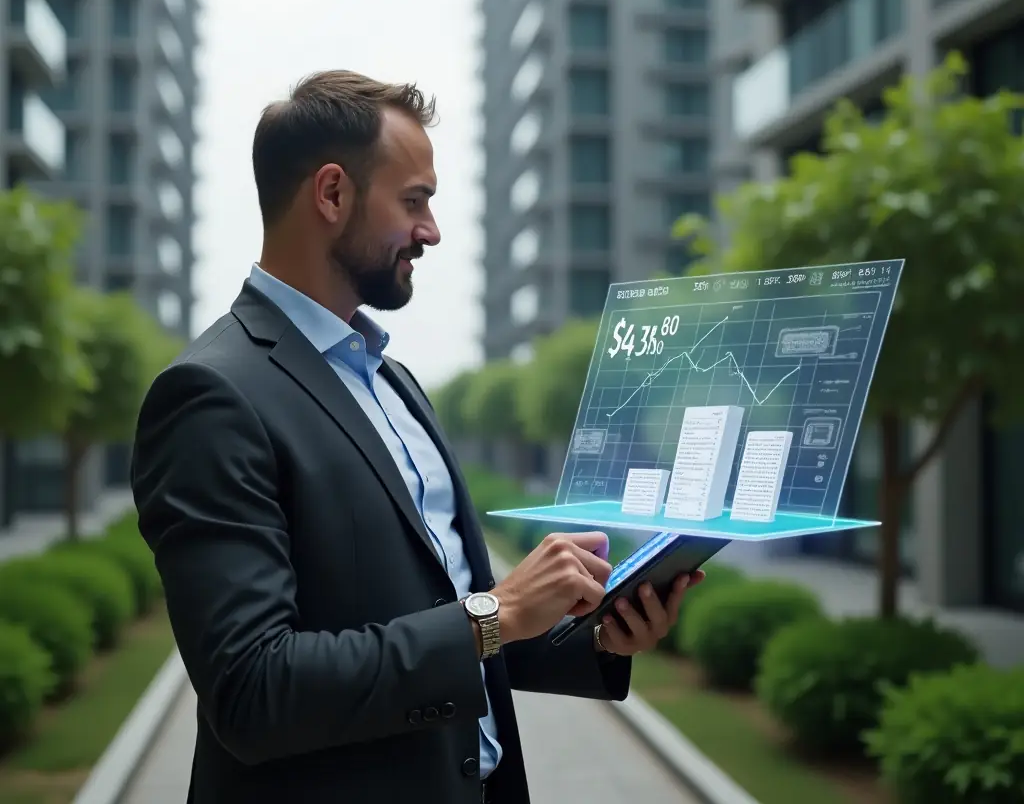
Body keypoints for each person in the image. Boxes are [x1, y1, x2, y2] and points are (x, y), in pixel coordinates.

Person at [131, 71, 701, 804]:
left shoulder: (395, 382)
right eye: (415, 201)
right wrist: (493, 614)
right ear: (332, 194)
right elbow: (252, 689)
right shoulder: (210, 396)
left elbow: (449, 617)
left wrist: (595, 633)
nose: (431, 231)